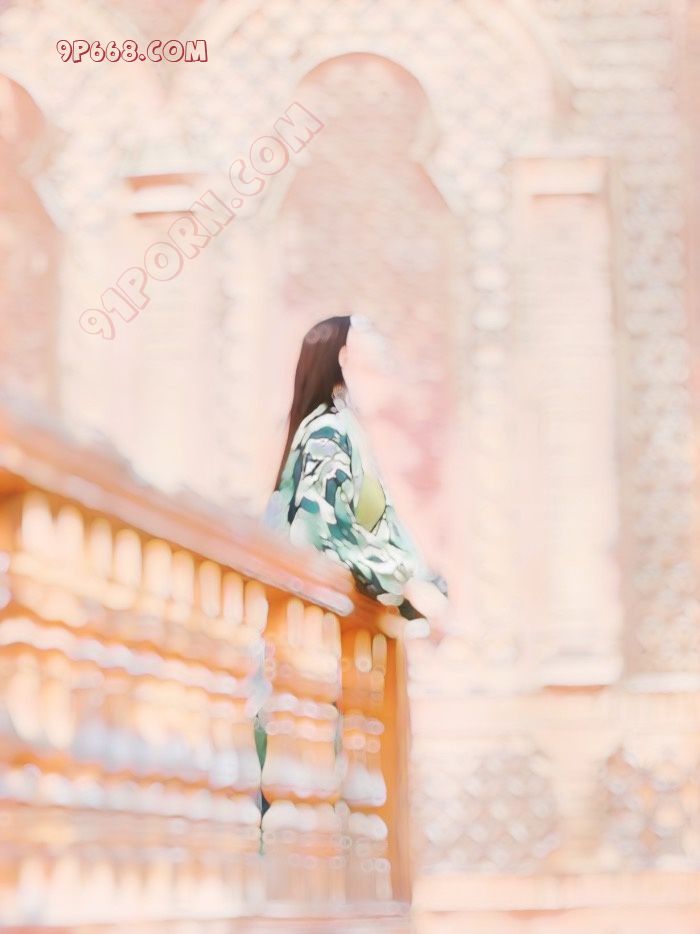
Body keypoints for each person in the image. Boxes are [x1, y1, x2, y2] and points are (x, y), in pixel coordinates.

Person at [264, 314, 449, 631]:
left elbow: (377, 527)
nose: (387, 370)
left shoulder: (346, 431)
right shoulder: (326, 433)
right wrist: (404, 585)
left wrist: (421, 581)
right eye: (376, 359)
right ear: (344, 360)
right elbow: (320, 532)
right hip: (320, 625)